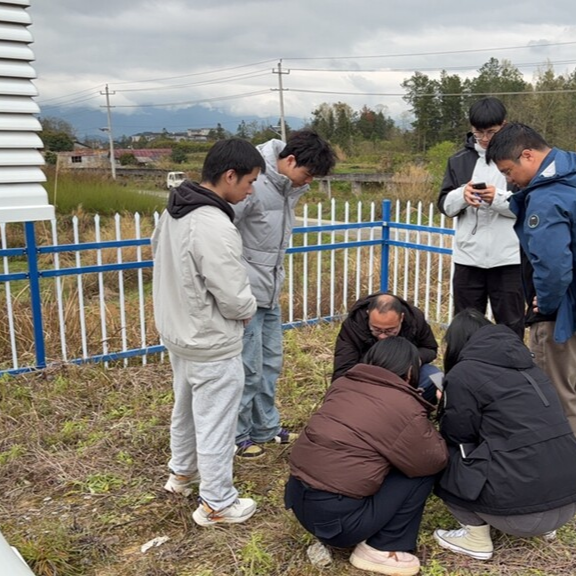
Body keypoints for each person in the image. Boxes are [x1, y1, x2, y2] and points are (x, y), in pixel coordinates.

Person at [152, 138, 264, 526]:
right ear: (229, 176)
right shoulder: (213, 223)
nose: (250, 190)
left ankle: (182, 474)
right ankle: (217, 502)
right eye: (249, 181)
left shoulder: (174, 210)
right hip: (210, 338)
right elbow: (233, 293)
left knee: (184, 408)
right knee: (216, 420)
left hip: (178, 330)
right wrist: (247, 310)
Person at [485, 122, 576, 442]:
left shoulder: (546, 198)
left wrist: (545, 303)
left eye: (507, 171)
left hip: (565, 315)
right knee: (573, 389)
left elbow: (553, 266)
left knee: (554, 402)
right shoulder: (574, 169)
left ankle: (561, 484)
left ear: (528, 156)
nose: (508, 180)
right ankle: (575, 465)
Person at [433, 310, 576, 560]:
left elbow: (458, 435)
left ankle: (476, 538)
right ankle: (547, 527)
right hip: (569, 503)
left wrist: (447, 405)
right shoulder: (530, 366)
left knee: (444, 453)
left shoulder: (464, 374)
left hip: (521, 518)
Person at [285, 337, 448, 576]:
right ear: (411, 370)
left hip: (299, 502)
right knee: (421, 471)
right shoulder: (402, 404)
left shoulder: (343, 384)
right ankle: (382, 548)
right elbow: (434, 458)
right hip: (339, 525)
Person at [233, 129, 337, 459]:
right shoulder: (253, 182)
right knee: (246, 369)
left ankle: (265, 427)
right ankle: (237, 435)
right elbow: (222, 232)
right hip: (245, 293)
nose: (307, 183)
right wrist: (235, 288)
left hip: (269, 288)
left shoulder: (286, 184)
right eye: (306, 175)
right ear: (289, 160)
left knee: (270, 364)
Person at [437, 97, 524, 339]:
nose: (484, 139)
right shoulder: (458, 160)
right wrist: (461, 195)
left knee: (511, 327)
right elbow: (444, 205)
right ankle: (461, 374)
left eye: (491, 132)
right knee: (464, 328)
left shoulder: (519, 160)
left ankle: (511, 375)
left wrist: (497, 198)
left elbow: (529, 207)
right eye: (478, 132)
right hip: (468, 259)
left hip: (508, 260)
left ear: (504, 126)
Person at [333, 292, 442, 404]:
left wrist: (410, 359)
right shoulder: (353, 325)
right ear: (368, 315)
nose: (382, 336)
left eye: (390, 330)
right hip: (369, 381)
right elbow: (343, 369)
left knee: (434, 375)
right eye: (376, 329)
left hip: (406, 378)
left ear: (402, 318)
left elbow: (430, 348)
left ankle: (413, 408)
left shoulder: (415, 319)